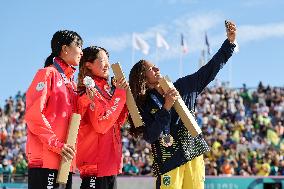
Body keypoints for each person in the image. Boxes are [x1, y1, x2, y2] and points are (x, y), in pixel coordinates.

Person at [128, 21, 237, 189]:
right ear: (143, 78)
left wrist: (229, 44)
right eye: (151, 68)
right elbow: (150, 136)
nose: (157, 68)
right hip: (168, 160)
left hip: (193, 153)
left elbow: (209, 69)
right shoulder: (143, 104)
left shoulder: (183, 86)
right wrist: (166, 107)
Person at [24, 30, 83, 189]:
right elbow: (34, 115)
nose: (82, 52)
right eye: (78, 46)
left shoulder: (73, 85)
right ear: (65, 48)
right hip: (46, 161)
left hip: (65, 162)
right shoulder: (47, 74)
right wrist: (57, 144)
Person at [76, 46, 129, 189]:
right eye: (102, 60)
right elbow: (101, 124)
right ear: (88, 64)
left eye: (108, 60)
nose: (107, 64)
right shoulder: (87, 90)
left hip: (109, 164)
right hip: (95, 166)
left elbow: (116, 122)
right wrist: (119, 94)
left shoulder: (106, 90)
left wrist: (124, 100)